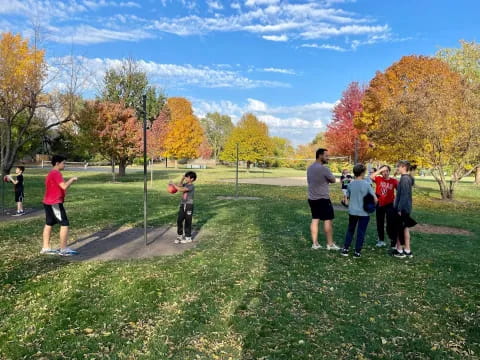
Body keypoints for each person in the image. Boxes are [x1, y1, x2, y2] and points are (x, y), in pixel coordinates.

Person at [41, 155, 79, 256]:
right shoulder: (56, 173)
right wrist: (72, 179)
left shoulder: (50, 173)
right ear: (57, 163)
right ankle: (63, 249)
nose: (64, 165)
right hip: (54, 203)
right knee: (64, 223)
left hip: (47, 202)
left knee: (49, 223)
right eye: (63, 163)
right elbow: (64, 186)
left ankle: (45, 248)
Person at [341, 164, 378, 258]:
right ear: (362, 173)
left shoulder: (350, 184)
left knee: (350, 230)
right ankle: (357, 252)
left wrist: (346, 202)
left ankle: (345, 249)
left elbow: (346, 198)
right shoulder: (367, 184)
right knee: (361, 232)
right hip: (364, 213)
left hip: (353, 211)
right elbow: (375, 199)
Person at [306, 148, 340, 250]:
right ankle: (330, 244)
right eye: (326, 156)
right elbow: (333, 180)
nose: (328, 158)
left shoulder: (309, 168)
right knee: (327, 220)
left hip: (312, 198)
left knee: (315, 219)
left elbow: (309, 182)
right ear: (320, 156)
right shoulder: (324, 169)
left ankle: (315, 244)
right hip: (323, 199)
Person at [370, 165, 398, 248]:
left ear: (389, 172)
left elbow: (399, 191)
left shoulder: (393, 181)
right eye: (383, 172)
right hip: (380, 204)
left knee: (390, 223)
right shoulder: (379, 179)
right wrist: (380, 169)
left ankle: (393, 241)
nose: (385, 173)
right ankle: (381, 240)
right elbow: (371, 176)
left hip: (390, 204)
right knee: (380, 222)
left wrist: (396, 200)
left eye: (386, 171)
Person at [393, 160, 416, 258]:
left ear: (403, 167)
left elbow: (404, 195)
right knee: (405, 228)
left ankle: (399, 251)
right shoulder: (405, 178)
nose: (397, 168)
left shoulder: (405, 179)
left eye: (398, 166)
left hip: (403, 209)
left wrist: (399, 209)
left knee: (399, 229)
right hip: (404, 208)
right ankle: (407, 250)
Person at [171, 171, 197, 244]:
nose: (186, 178)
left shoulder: (191, 186)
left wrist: (173, 184)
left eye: (187, 177)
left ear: (192, 179)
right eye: (186, 176)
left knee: (187, 221)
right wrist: (182, 178)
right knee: (179, 220)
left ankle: (188, 237)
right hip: (183, 204)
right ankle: (180, 235)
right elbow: (179, 185)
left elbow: (181, 189)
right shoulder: (186, 184)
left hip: (188, 205)